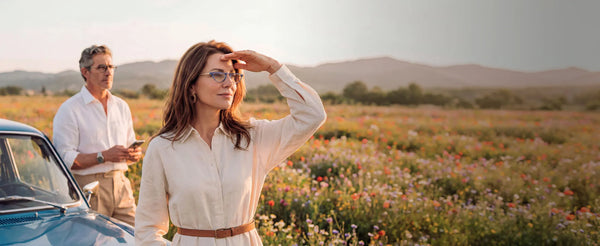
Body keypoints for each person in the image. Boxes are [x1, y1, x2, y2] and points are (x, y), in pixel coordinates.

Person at [135, 40, 327, 245]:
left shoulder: (252, 137)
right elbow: (147, 230)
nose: (229, 83)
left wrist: (272, 67)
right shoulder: (163, 147)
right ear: (191, 85)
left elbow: (313, 115)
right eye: (217, 74)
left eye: (233, 75)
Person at [53, 44, 142, 226]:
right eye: (101, 67)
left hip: (121, 185)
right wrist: (104, 156)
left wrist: (133, 155)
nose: (108, 72)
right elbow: (65, 158)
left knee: (136, 237)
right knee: (92, 240)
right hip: (89, 189)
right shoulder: (70, 109)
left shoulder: (121, 106)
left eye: (110, 67)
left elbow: (129, 145)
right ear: (85, 72)